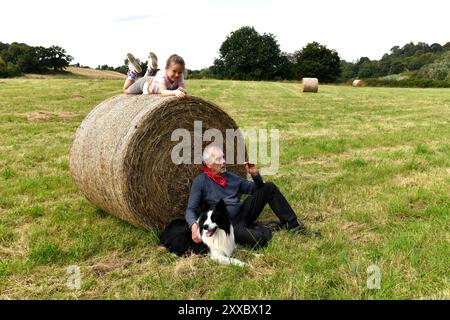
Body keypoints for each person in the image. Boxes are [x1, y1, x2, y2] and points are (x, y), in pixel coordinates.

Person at [185, 144, 321, 248]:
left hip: (244, 212)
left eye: (224, 157)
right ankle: (262, 227)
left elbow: (256, 189)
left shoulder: (231, 177)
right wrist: (194, 226)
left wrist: (255, 174)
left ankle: (294, 226)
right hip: (228, 224)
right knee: (260, 241)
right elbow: (190, 209)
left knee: (269, 187)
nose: (224, 161)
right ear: (209, 164)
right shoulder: (201, 181)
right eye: (219, 159)